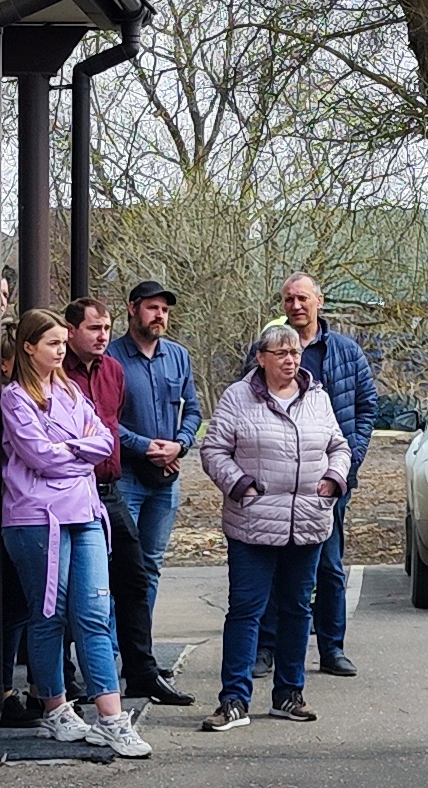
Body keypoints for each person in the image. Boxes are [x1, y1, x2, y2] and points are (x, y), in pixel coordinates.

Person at [0, 309, 152, 759]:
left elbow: (105, 441)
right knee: (50, 613)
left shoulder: (70, 390)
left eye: (64, 343)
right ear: (29, 347)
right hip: (35, 517)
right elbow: (40, 456)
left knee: (93, 613)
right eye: (52, 343)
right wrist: (76, 452)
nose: (61, 350)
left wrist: (70, 450)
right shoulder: (14, 398)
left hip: (85, 511)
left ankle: (111, 717)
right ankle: (56, 706)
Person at [196, 322, 348, 731]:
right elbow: (213, 449)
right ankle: (233, 700)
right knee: (246, 610)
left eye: (295, 352)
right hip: (254, 523)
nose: (290, 360)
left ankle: (288, 694)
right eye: (280, 353)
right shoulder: (238, 397)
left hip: (309, 521)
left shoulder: (317, 397)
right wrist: (240, 484)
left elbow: (339, 446)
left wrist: (333, 479)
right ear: (261, 358)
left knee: (298, 608)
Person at [105, 280, 202, 706]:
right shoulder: (111, 358)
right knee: (119, 568)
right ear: (132, 310)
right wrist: (146, 446)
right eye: (151, 308)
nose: (159, 316)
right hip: (127, 474)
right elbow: (103, 419)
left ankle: (138, 657)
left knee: (151, 567)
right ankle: (107, 656)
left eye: (164, 309)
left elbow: (194, 409)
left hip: (167, 476)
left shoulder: (178, 355)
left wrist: (179, 443)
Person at [280, 275, 378, 680]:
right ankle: (269, 648)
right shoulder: (270, 349)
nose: (296, 305)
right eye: (289, 299)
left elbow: (367, 406)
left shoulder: (346, 352)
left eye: (303, 298)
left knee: (329, 567)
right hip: (281, 480)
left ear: (319, 301)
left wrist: (348, 463)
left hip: (332, 480)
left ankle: (331, 648)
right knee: (278, 566)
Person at [58, 298, 152, 704]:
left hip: (109, 490)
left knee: (134, 577)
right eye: (94, 328)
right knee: (64, 590)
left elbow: (115, 426)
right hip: (68, 492)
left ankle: (141, 671)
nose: (102, 337)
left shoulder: (113, 370)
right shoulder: (58, 374)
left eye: (107, 328)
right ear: (70, 330)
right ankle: (63, 677)